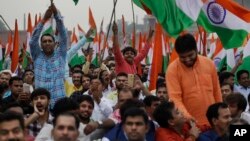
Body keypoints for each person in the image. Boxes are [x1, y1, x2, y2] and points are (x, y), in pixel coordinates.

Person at [166, 33, 222, 126]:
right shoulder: (172, 70)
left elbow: (216, 91)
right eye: (182, 57)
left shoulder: (209, 63)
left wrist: (220, 113)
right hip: (190, 124)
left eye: (190, 55)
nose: (187, 59)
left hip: (214, 122)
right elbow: (175, 98)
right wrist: (187, 117)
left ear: (196, 50)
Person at [29, 2, 67, 108]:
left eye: (50, 41)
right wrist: (43, 20)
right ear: (40, 44)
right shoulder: (37, 55)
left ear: (55, 43)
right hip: (41, 104)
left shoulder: (61, 54)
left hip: (60, 103)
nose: (47, 43)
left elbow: (63, 35)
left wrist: (56, 15)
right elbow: (32, 41)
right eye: (44, 41)